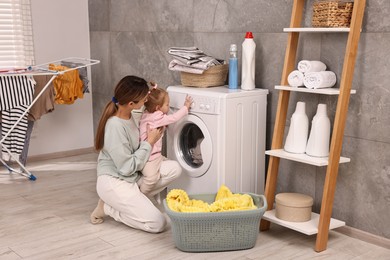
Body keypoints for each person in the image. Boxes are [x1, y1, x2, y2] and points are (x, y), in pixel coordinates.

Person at [90, 75, 182, 233]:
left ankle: (135, 201)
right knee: (158, 223)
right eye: (144, 99)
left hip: (132, 176)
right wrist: (149, 143)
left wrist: (153, 91)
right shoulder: (115, 127)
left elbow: (150, 108)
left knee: (174, 168)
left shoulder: (132, 114)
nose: (146, 101)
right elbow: (126, 168)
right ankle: (108, 208)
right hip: (115, 180)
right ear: (132, 103)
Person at [138, 83, 192, 196]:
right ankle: (140, 194)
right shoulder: (157, 116)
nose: (169, 107)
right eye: (167, 105)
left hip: (149, 155)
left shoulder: (147, 114)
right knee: (152, 178)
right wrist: (185, 107)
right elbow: (174, 118)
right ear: (158, 108)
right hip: (150, 159)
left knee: (168, 165)